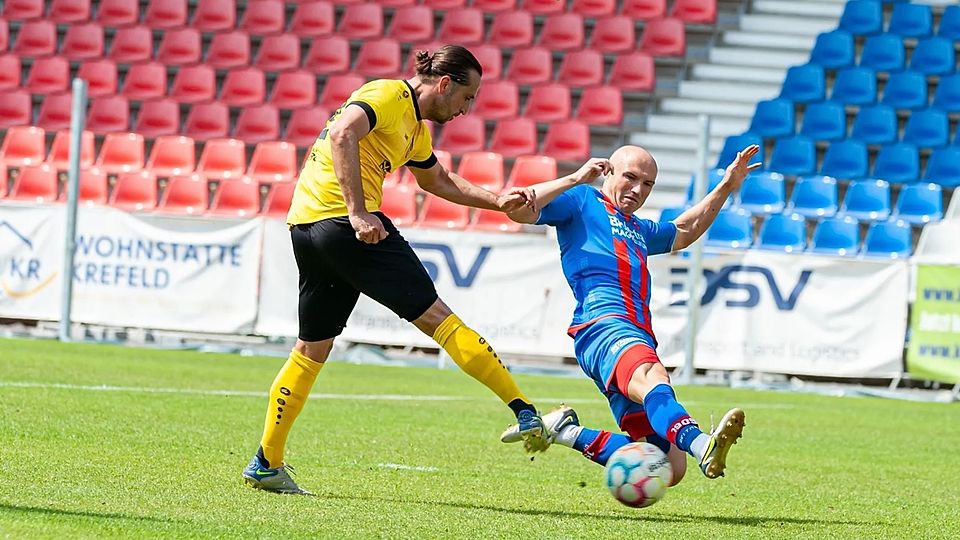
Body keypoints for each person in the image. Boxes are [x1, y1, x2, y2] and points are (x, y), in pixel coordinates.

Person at [243, 45, 557, 495]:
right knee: (438, 318)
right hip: (343, 224)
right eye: (467, 97)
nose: (467, 109)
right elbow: (342, 135)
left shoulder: (414, 129)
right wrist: (357, 212)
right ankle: (524, 409)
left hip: (307, 226)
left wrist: (496, 201)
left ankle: (266, 461)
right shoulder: (389, 95)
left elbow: (437, 181)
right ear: (445, 83)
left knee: (312, 348)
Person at [500, 144, 762, 485]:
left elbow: (685, 229)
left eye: (648, 184)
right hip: (604, 324)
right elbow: (516, 208)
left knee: (663, 466)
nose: (638, 190)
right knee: (654, 376)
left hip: (632, 332)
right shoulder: (582, 201)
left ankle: (566, 431)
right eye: (631, 177)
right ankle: (702, 443)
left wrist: (727, 185)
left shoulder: (638, 229)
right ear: (609, 171)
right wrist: (577, 178)